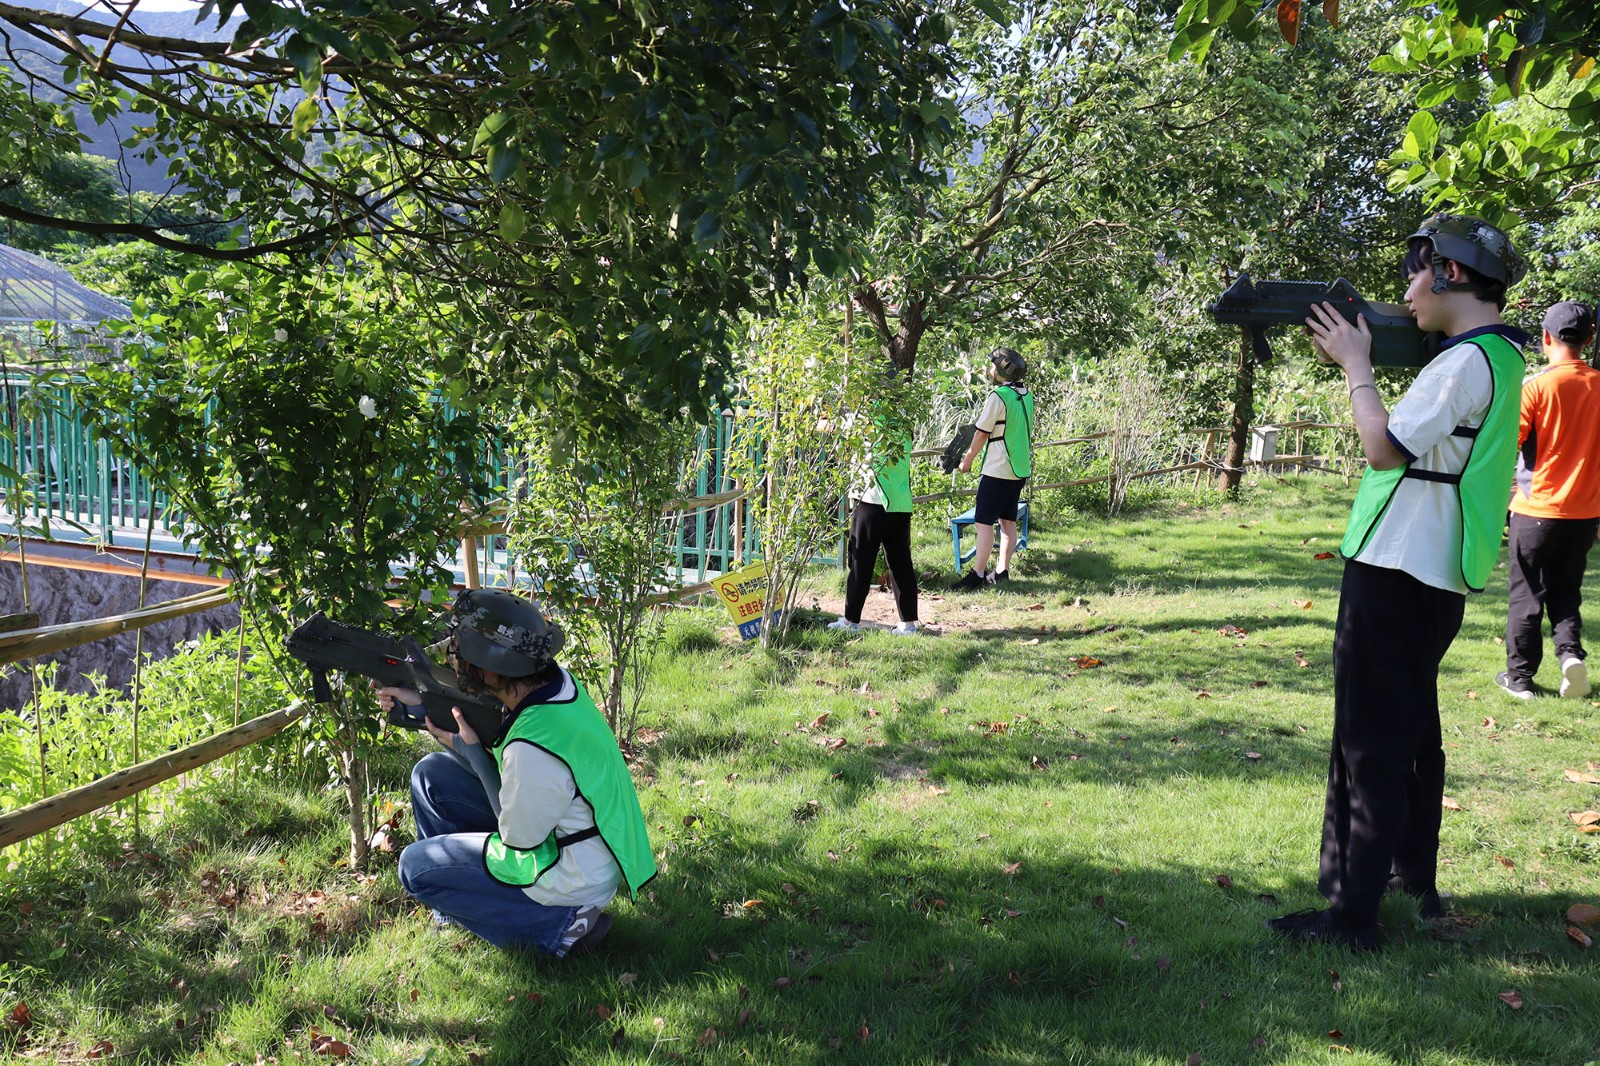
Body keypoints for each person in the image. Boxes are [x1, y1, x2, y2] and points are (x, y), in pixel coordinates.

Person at [1270, 213, 1529, 950]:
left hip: (1397, 567)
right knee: (1412, 732)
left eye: (1416, 273)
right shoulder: (1499, 355)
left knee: (1370, 739)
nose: (1407, 292)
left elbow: (1383, 449)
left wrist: (1356, 365)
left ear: (1448, 274)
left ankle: (1352, 915)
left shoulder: (1459, 364)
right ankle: (1409, 875)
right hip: (1434, 568)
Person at [378, 589, 656, 956]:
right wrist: (418, 704)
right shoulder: (554, 686)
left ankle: (561, 927)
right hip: (586, 842)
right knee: (431, 775)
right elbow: (479, 712)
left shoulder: (530, 750)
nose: (454, 657)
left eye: (460, 650)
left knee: (415, 867)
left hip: (571, 872)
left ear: (491, 666)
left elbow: (518, 840)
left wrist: (473, 755)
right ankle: (453, 912)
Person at [1496, 301, 1600, 701]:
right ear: (1589, 339)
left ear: (1545, 338)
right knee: (1566, 591)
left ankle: (1519, 679)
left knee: (1527, 594)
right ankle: (1571, 657)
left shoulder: (1537, 387)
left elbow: (1510, 444)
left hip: (1536, 509)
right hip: (1584, 514)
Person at [829, 385, 921, 635]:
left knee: (861, 562)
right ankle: (909, 623)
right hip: (900, 500)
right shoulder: (903, 415)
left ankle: (851, 621)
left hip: (871, 499)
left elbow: (831, 428)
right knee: (901, 562)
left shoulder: (865, 416)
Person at [952, 347, 1033, 590]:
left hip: (997, 469)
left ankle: (977, 575)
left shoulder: (998, 396)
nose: (989, 369)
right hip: (1019, 469)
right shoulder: (1025, 394)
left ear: (1000, 370)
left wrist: (967, 460)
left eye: (992, 366)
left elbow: (982, 432)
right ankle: (1001, 571)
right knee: (1008, 522)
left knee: (983, 522)